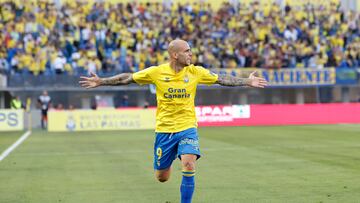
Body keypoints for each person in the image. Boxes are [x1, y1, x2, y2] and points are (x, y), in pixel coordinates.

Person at [79, 39, 268, 203]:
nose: (191, 54)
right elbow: (127, 78)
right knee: (162, 177)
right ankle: (165, 165)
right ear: (175, 55)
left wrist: (246, 81)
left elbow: (221, 79)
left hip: (187, 127)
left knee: (188, 163)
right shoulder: (156, 72)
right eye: (187, 51)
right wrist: (101, 81)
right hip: (164, 130)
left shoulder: (196, 72)